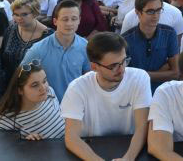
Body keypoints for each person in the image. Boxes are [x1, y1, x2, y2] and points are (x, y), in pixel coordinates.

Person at [62, 32, 152, 161]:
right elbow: (71, 138)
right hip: (91, 147)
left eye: (124, 61)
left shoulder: (139, 78)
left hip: (131, 145)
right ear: (94, 66)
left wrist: (128, 159)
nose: (121, 69)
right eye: (113, 66)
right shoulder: (77, 88)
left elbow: (142, 127)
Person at [21, 0, 91, 100]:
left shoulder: (85, 46)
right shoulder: (38, 50)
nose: (69, 23)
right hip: (47, 107)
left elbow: (89, 76)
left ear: (79, 20)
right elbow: (21, 77)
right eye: (65, 19)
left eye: (74, 19)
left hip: (76, 104)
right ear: (55, 21)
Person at [0, 60, 65, 140]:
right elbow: (1, 151)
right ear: (20, 90)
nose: (44, 88)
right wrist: (25, 146)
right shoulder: (5, 123)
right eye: (35, 85)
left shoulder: (50, 92)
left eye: (44, 81)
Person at [122, 0, 180, 90]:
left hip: (163, 91)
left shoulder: (169, 33)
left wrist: (141, 75)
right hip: (135, 92)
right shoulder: (125, 40)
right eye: (150, 11)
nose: (156, 16)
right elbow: (124, 75)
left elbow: (176, 73)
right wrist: (163, 71)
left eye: (158, 10)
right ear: (138, 12)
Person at [0, 0, 54, 76]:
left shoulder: (49, 36)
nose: (19, 18)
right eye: (16, 14)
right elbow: (2, 57)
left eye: (24, 14)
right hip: (8, 81)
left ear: (35, 13)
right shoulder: (11, 29)